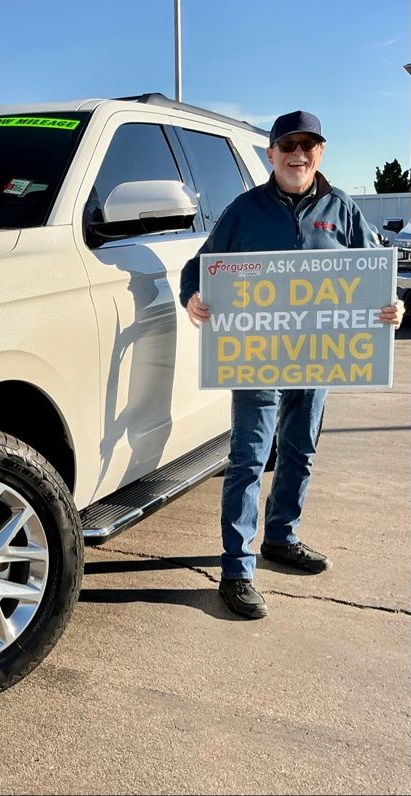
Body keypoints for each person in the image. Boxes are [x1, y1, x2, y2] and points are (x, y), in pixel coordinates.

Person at [179, 110, 405, 619]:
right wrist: (194, 294)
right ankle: (237, 570)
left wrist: (393, 305)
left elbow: (374, 269)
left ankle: (281, 537)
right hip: (257, 360)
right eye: (288, 146)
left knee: (299, 451)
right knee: (249, 460)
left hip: (318, 359)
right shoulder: (244, 210)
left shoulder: (342, 208)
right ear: (272, 154)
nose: (298, 154)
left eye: (308, 145)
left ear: (319, 153)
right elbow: (200, 264)